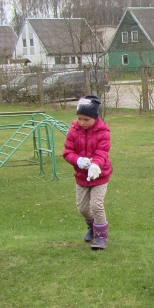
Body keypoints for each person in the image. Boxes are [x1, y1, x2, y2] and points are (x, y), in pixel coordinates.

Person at [62, 95, 112, 250]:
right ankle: (92, 227)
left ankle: (101, 237)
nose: (82, 122)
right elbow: (67, 152)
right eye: (79, 118)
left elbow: (102, 152)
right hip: (81, 176)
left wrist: (96, 165)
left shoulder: (103, 132)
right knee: (83, 208)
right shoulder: (73, 131)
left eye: (86, 119)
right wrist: (77, 160)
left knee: (96, 205)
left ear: (94, 117)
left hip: (100, 176)